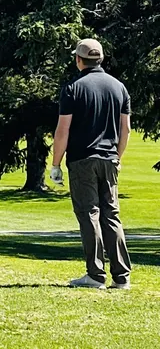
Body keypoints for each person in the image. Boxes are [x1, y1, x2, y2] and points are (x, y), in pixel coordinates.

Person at [50, 39, 132, 290]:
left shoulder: (73, 88)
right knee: (112, 216)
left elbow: (63, 131)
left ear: (79, 60)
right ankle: (121, 277)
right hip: (109, 159)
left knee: (90, 215)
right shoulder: (119, 88)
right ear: (101, 59)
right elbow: (125, 128)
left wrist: (55, 164)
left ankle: (95, 274)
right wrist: (117, 156)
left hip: (82, 159)